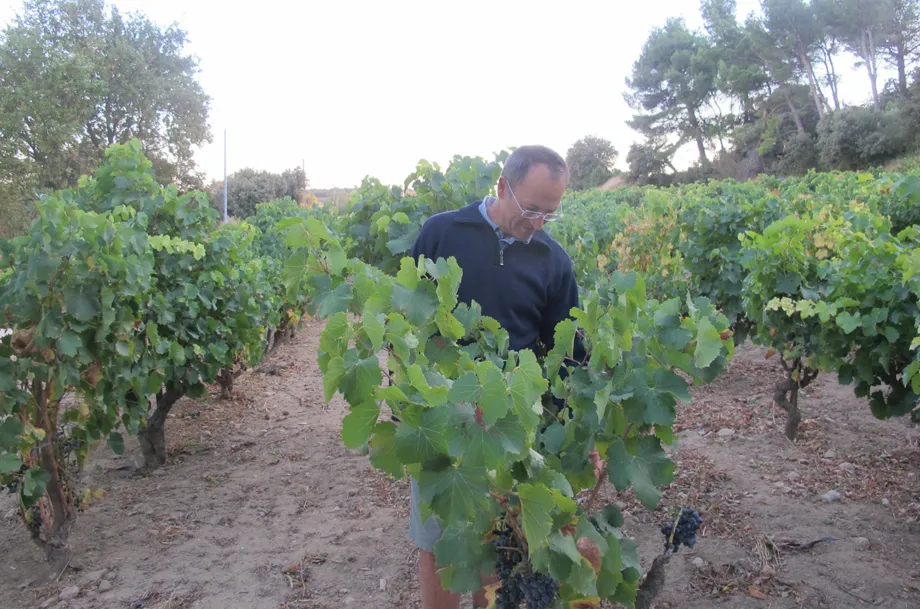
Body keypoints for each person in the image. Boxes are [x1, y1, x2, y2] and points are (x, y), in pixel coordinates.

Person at [406, 144, 592, 609]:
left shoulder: (554, 260)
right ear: (502, 187)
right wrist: (408, 402)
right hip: (442, 416)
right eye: (531, 209)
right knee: (441, 545)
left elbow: (567, 354)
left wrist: (568, 431)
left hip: (511, 427)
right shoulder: (441, 234)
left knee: (496, 546)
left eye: (551, 214)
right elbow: (405, 322)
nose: (538, 224)